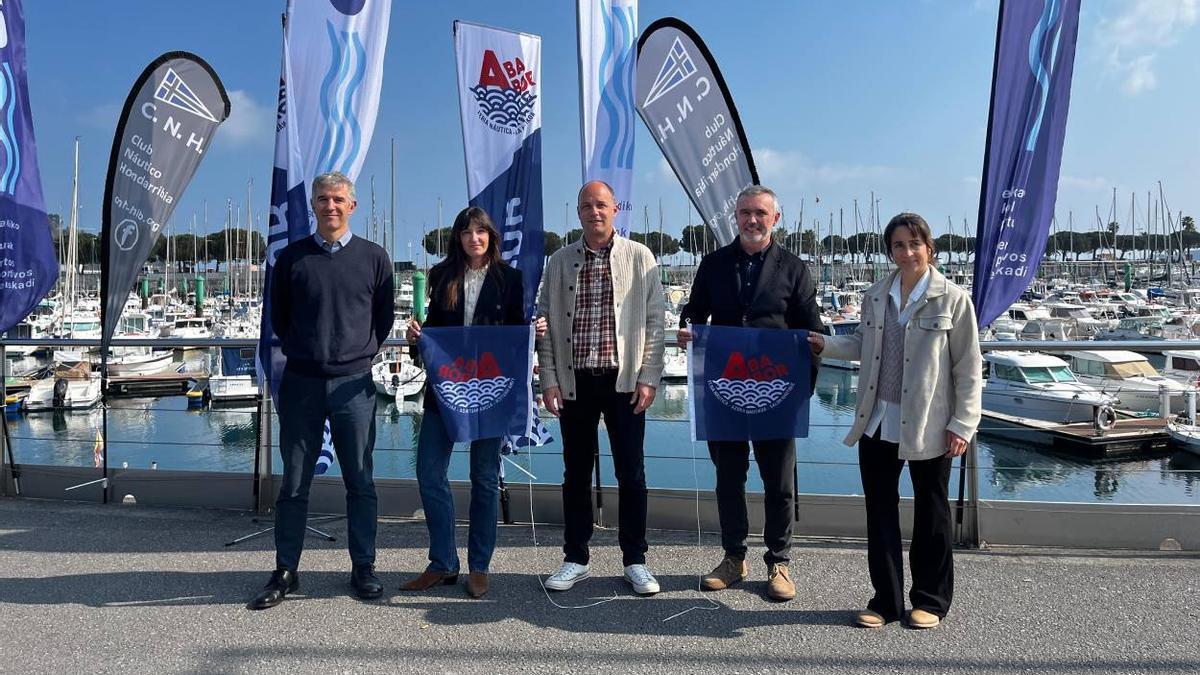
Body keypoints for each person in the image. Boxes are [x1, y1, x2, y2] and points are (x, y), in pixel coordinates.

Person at [808, 212, 981, 629]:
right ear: (891, 251)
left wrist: (963, 423)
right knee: (880, 513)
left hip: (931, 423)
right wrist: (823, 344)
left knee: (932, 513)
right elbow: (863, 345)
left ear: (929, 248)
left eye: (914, 244)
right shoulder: (876, 295)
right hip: (877, 421)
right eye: (899, 245)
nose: (907, 252)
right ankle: (885, 601)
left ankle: (930, 600)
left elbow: (969, 368)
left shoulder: (953, 299)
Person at [248, 171, 395, 610]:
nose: (330, 206)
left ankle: (363, 567)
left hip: (355, 385)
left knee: (360, 481)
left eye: (338, 199)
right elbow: (280, 317)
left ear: (353, 206)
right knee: (293, 482)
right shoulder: (291, 258)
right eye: (322, 199)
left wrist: (354, 353)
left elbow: (382, 319)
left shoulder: (375, 258)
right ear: (312, 205)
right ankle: (286, 570)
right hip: (302, 382)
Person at [677, 185, 824, 602]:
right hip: (724, 391)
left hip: (777, 392)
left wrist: (802, 389)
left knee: (778, 483)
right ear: (735, 217)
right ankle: (733, 557)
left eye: (760, 212)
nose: (752, 219)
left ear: (775, 219)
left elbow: (812, 329)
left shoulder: (794, 268)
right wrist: (687, 328)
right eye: (744, 212)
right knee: (728, 479)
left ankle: (779, 561)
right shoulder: (713, 263)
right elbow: (694, 311)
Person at [401, 206, 546, 599]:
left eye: (480, 232)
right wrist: (418, 338)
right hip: (445, 390)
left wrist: (535, 332)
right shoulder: (442, 275)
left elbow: (518, 333)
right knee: (429, 472)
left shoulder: (510, 279)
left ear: (491, 236)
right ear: (458, 238)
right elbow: (434, 332)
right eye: (466, 232)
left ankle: (479, 565)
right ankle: (443, 562)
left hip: (491, 390)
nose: (474, 239)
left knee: (484, 479)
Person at [536, 180, 665, 595]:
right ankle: (575, 557)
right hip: (575, 382)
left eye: (602, 205)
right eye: (587, 206)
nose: (595, 212)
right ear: (578, 212)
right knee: (575, 473)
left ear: (615, 210)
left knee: (632, 472)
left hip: (623, 382)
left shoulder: (640, 257)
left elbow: (656, 324)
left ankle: (635, 559)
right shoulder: (558, 262)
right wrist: (549, 380)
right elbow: (545, 326)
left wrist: (649, 376)